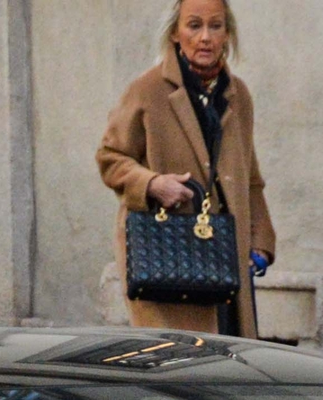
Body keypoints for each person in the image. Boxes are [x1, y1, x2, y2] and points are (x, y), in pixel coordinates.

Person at [96, 0, 277, 340]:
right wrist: (151, 184)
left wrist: (262, 241)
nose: (205, 37)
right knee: (178, 362)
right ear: (176, 34)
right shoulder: (147, 90)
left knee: (228, 361)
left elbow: (250, 176)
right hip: (168, 259)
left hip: (225, 258)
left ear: (228, 34)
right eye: (194, 26)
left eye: (216, 26)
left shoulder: (238, 95)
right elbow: (110, 156)